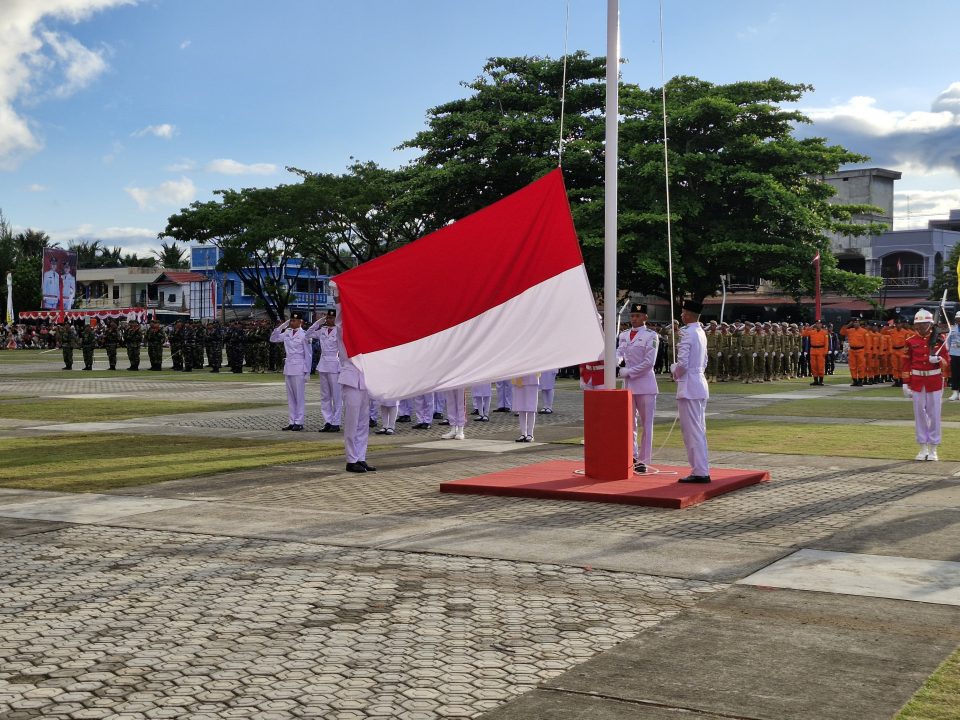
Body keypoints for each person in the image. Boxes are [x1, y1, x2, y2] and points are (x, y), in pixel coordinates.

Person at [331, 285, 376, 473]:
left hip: (365, 379)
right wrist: (339, 297)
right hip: (351, 379)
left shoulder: (366, 337)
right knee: (352, 421)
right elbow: (340, 321)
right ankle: (351, 459)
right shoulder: (344, 334)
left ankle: (361, 457)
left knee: (363, 421)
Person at [671, 299, 710, 483]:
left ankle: (700, 471)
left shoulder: (686, 332)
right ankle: (701, 469)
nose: (681, 315)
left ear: (687, 315)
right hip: (699, 381)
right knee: (698, 429)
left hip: (689, 385)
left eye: (683, 313)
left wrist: (674, 370)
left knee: (691, 431)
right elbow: (705, 360)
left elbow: (683, 363)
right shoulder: (701, 331)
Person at [617, 303, 659, 473]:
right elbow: (620, 351)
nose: (634, 319)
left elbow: (649, 363)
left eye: (638, 316)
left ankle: (644, 460)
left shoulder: (651, 335)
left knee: (646, 424)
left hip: (645, 384)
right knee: (629, 423)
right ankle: (632, 455)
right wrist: (616, 359)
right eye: (632, 315)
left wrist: (629, 371)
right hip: (628, 385)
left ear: (645, 318)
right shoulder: (624, 334)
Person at [902, 309, 948, 461]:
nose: (922, 327)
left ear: (930, 324)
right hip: (917, 381)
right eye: (919, 324)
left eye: (925, 324)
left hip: (934, 381)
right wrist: (905, 383)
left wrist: (938, 360)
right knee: (919, 415)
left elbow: (947, 362)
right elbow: (906, 363)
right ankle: (922, 447)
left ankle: (934, 448)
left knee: (934, 415)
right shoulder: (910, 341)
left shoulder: (939, 339)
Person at [270, 311, 316, 431]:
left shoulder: (304, 335)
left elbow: (308, 355)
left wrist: (307, 372)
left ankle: (299, 421)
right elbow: (273, 338)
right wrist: (282, 326)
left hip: (299, 368)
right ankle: (292, 421)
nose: (292, 322)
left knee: (299, 397)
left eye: (294, 320)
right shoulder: (287, 332)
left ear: (301, 322)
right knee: (290, 397)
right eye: (290, 320)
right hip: (289, 367)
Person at [314, 309, 343, 433]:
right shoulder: (322, 331)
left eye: (332, 318)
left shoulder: (339, 331)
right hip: (323, 364)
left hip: (335, 365)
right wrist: (319, 321)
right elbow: (308, 334)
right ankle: (327, 421)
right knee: (325, 396)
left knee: (337, 396)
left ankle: (336, 422)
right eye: (328, 318)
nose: (329, 320)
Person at [840, 316, 868, 386]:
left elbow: (867, 343)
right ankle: (854, 380)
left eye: (857, 322)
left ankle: (860, 380)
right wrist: (849, 325)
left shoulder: (864, 331)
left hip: (861, 350)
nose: (856, 324)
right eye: (854, 322)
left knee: (861, 366)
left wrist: (866, 352)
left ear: (859, 323)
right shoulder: (850, 330)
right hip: (852, 350)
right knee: (852, 366)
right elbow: (842, 332)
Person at [512, 373, 540, 442]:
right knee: (520, 408)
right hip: (519, 377)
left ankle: (530, 434)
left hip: (531, 378)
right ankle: (523, 434)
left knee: (531, 407)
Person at [802, 319, 830, 385]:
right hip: (813, 350)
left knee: (821, 366)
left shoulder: (824, 332)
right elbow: (804, 334)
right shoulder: (812, 331)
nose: (818, 325)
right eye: (816, 323)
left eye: (819, 324)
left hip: (821, 350)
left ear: (821, 325)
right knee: (813, 366)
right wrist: (811, 327)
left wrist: (825, 352)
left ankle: (821, 380)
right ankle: (815, 380)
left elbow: (826, 343)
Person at [947, 311, 960, 401]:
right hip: (954, 353)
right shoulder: (952, 329)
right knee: (955, 373)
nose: (959, 321)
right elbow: (948, 341)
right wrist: (949, 352)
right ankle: (955, 392)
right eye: (958, 319)